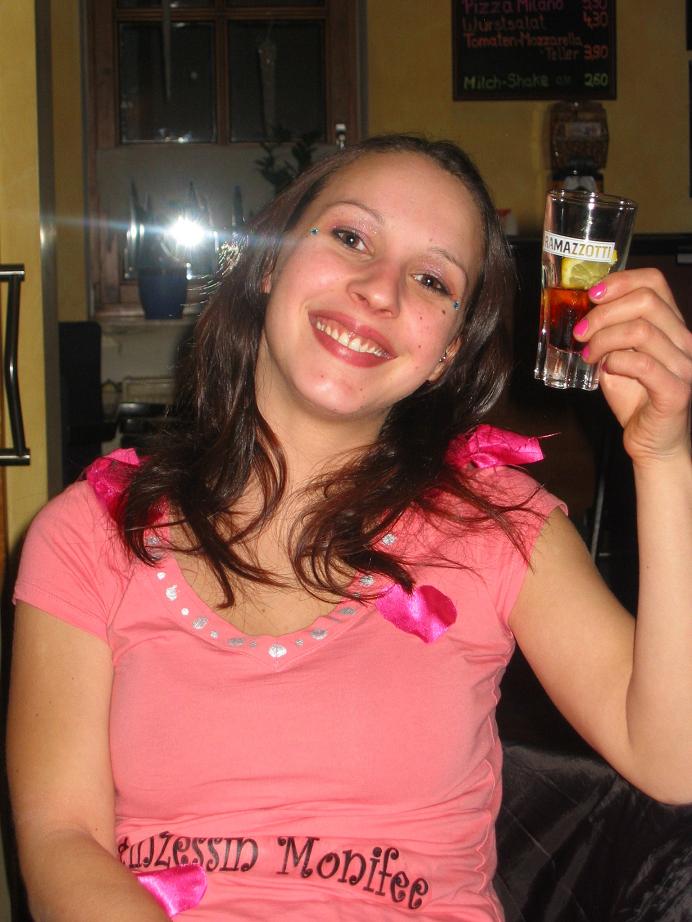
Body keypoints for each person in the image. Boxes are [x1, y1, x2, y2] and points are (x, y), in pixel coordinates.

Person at [7, 134, 692, 922]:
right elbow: (62, 839)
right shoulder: (89, 534)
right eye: (350, 237)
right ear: (269, 264)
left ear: (448, 353)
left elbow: (671, 757)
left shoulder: (501, 528)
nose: (379, 290)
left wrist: (663, 457)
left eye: (431, 279)